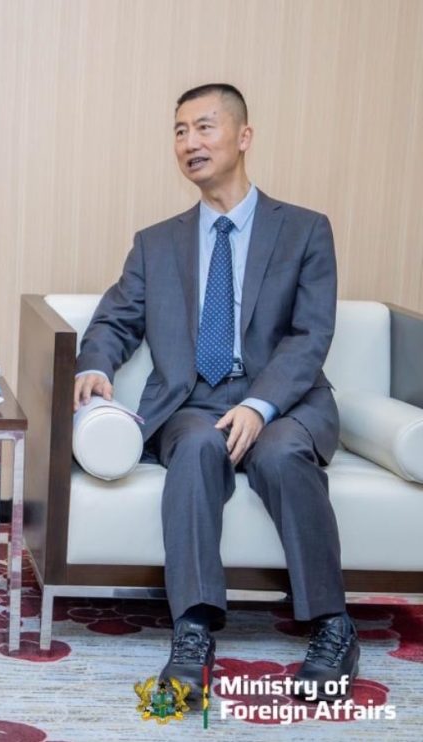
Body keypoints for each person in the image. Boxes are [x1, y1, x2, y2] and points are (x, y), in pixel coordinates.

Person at [72, 84, 358, 700]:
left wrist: (259, 405)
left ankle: (333, 626)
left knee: (282, 453)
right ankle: (194, 628)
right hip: (193, 401)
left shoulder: (305, 230)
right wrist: (93, 365)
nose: (189, 143)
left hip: (285, 400)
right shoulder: (156, 242)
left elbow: (311, 334)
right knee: (198, 448)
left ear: (243, 136)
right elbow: (116, 319)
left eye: (204, 127)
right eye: (179, 131)